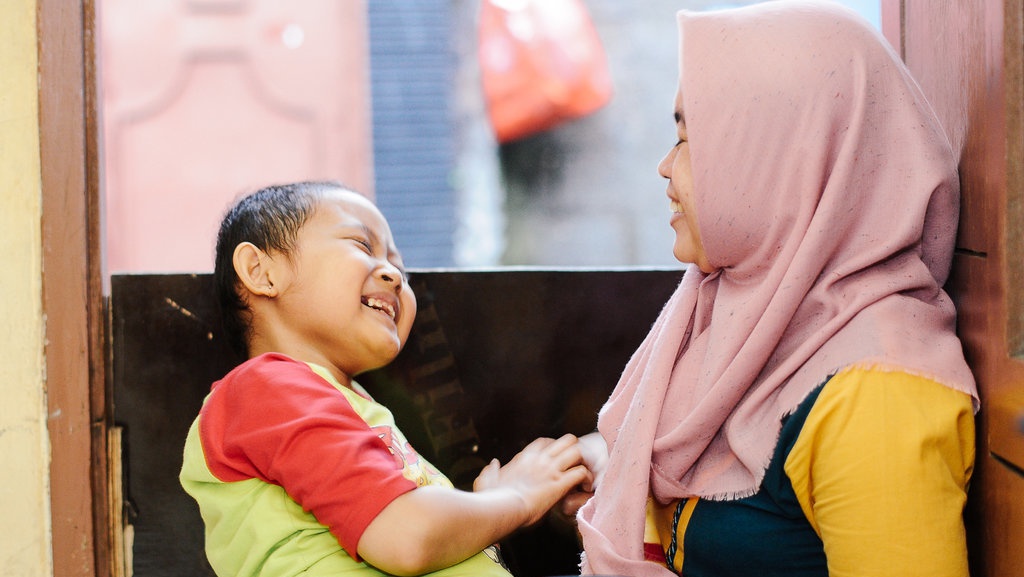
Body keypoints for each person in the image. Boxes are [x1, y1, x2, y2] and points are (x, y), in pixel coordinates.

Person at [571, 2, 980, 576]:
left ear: (788, 158)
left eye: (693, 139)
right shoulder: (746, 317)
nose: (666, 167)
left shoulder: (879, 396)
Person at [179, 181, 591, 577]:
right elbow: (406, 538)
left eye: (399, 266)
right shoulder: (267, 389)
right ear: (261, 271)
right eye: (361, 245)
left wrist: (485, 511)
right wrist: (515, 499)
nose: (393, 275)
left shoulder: (344, 402)